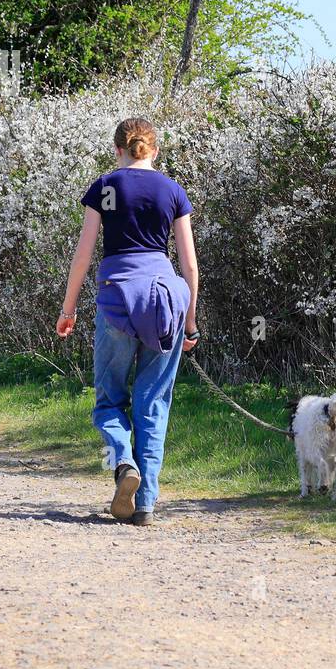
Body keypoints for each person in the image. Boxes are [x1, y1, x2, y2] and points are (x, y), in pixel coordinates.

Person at [56, 117, 199, 525]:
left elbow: (82, 256)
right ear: (155, 150)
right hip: (165, 302)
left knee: (110, 400)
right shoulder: (173, 191)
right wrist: (189, 323)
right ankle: (146, 504)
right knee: (152, 402)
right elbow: (189, 266)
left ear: (117, 149)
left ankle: (124, 463)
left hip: (118, 298)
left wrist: (68, 310)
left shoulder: (105, 187)